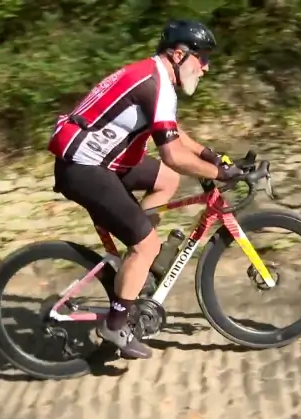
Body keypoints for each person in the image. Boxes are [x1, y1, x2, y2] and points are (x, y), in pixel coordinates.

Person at [48, 19, 244, 359]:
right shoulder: (155, 84)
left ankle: (134, 267)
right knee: (146, 243)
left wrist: (214, 157)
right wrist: (218, 174)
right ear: (179, 54)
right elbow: (170, 153)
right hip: (83, 168)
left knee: (167, 179)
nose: (206, 68)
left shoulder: (153, 76)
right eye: (203, 58)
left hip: (105, 160)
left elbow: (174, 135)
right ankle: (115, 323)